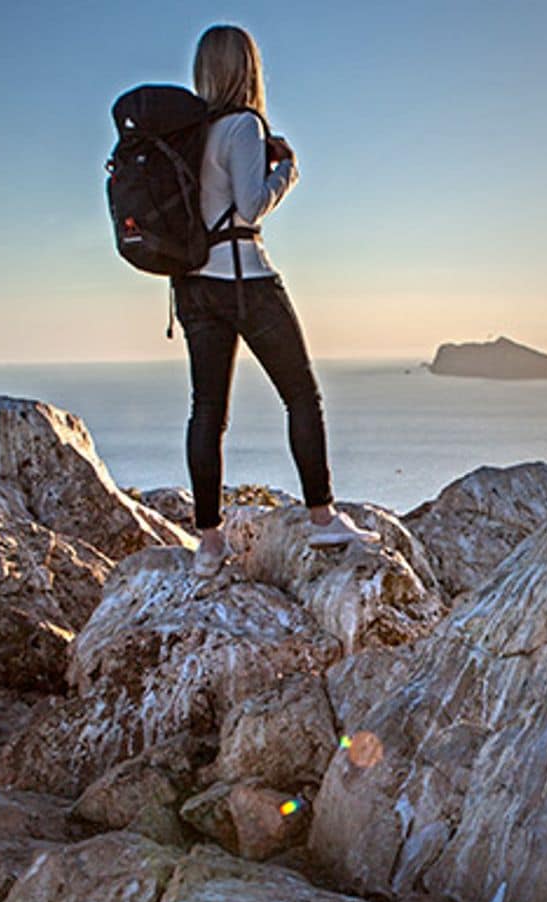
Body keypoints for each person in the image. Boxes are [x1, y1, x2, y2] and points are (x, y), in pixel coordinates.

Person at [179, 23, 377, 576]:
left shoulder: (188, 134)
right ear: (248, 69)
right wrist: (286, 170)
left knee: (207, 410)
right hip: (244, 281)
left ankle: (209, 544)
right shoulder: (242, 124)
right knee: (302, 397)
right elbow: (249, 205)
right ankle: (322, 520)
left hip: (193, 288)